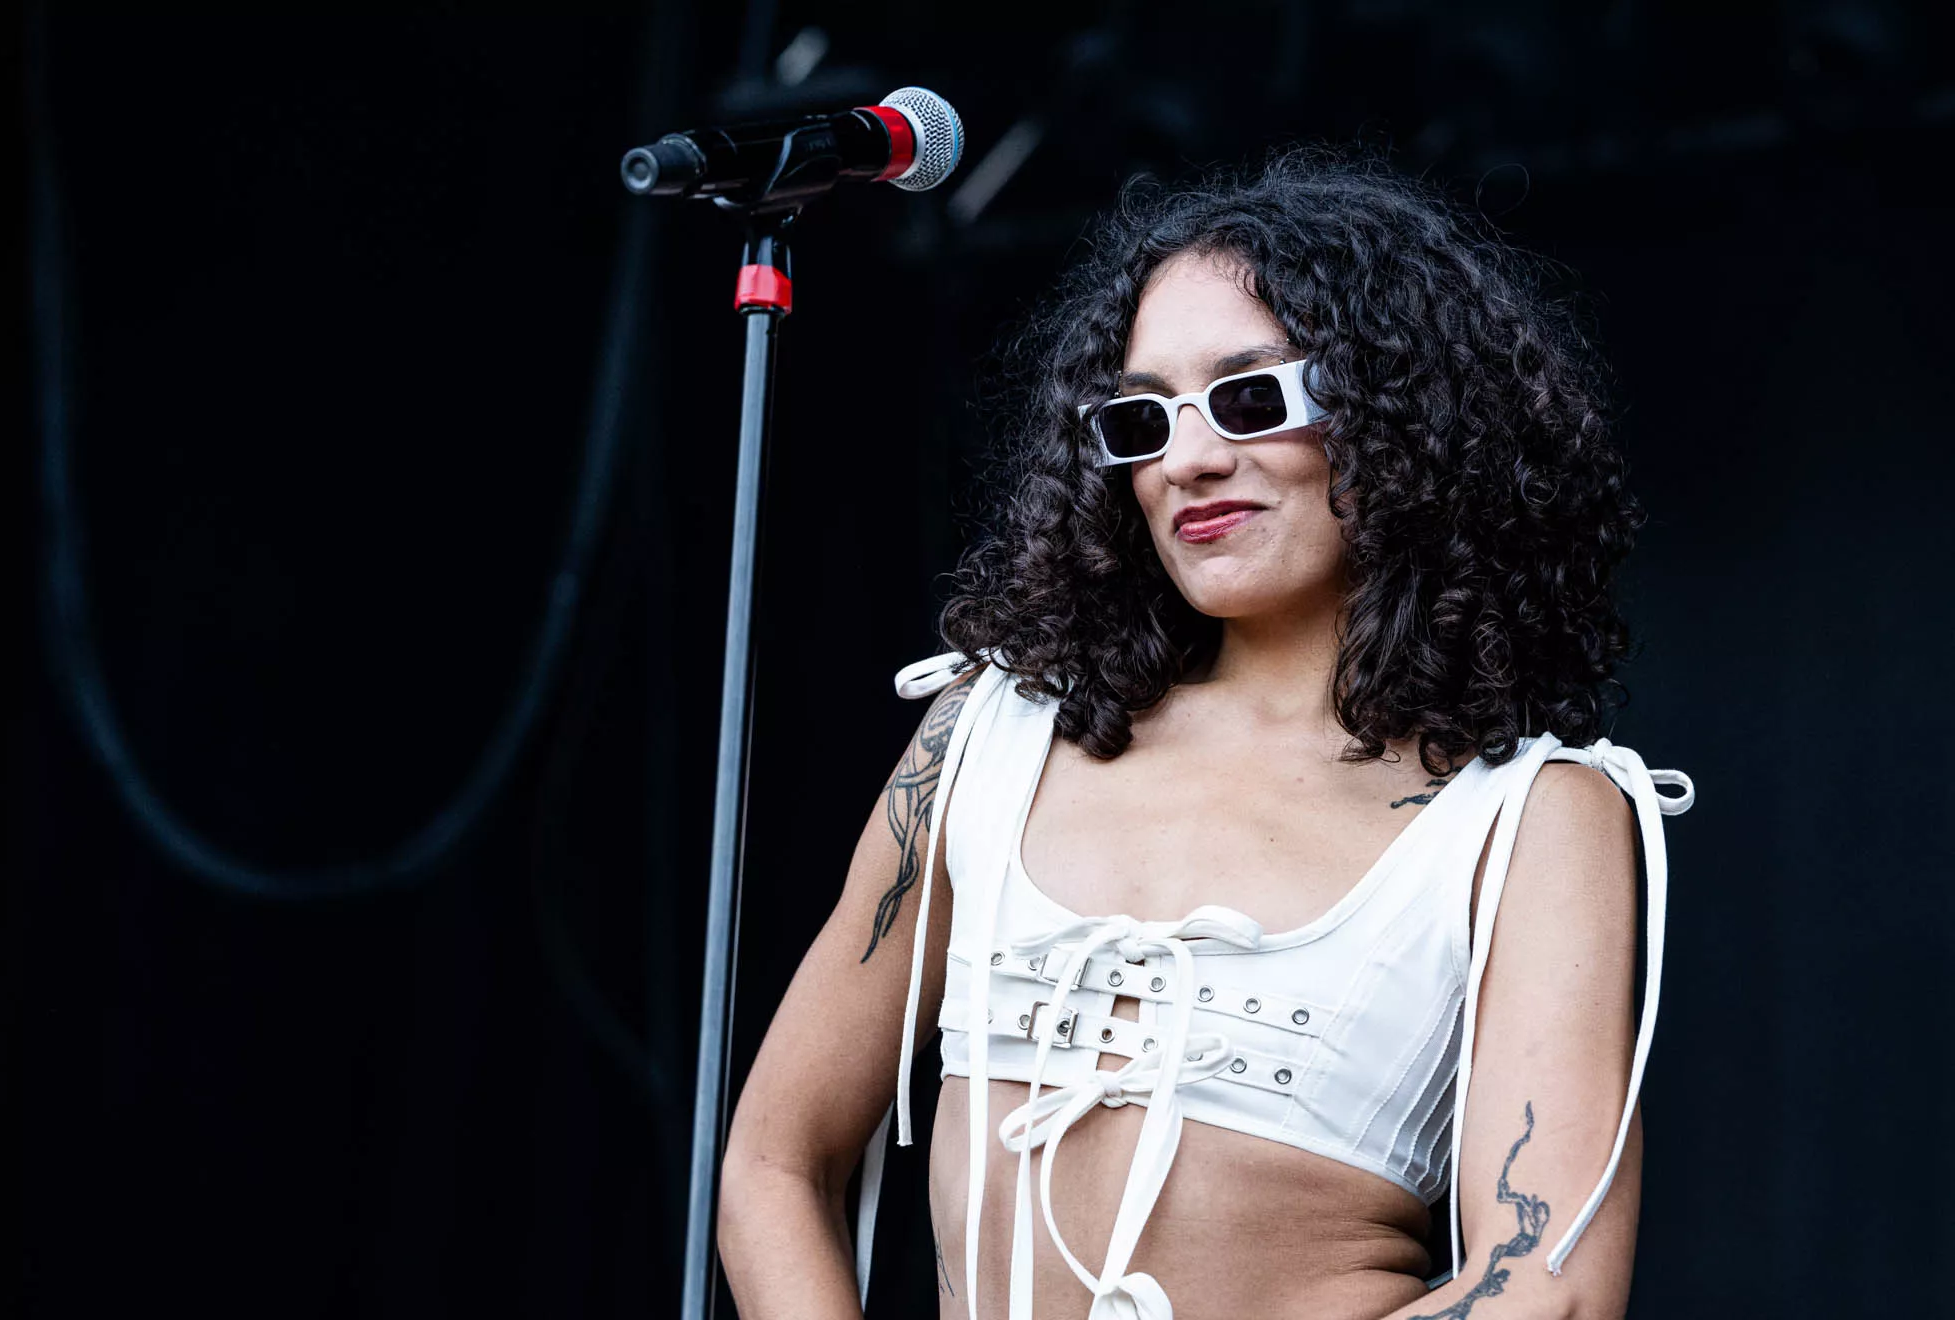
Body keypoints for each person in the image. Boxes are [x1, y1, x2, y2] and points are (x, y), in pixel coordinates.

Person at [715, 147, 1696, 1320]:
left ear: (1407, 420)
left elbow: (1547, 1292)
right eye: (1142, 419)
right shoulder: (988, 733)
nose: (1187, 460)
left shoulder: (1528, 815)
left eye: (1251, 399)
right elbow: (773, 1164)